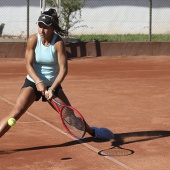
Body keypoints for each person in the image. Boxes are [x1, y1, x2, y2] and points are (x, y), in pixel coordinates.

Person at [0, 8, 114, 140]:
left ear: (52, 27)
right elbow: (28, 65)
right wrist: (38, 81)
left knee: (70, 118)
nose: (42, 30)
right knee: (16, 112)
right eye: (40, 26)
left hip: (52, 84)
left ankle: (93, 132)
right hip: (33, 82)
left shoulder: (58, 43)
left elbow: (64, 70)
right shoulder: (33, 40)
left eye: (46, 27)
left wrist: (52, 89)